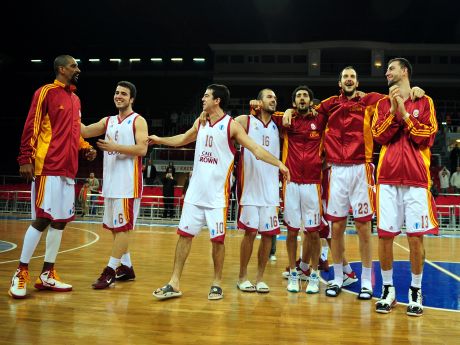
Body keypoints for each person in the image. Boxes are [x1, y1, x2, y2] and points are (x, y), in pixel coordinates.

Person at [283, 66, 424, 299]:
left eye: (352, 77)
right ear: (340, 83)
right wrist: (289, 109)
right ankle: (338, 278)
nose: (349, 80)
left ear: (357, 83)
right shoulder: (328, 104)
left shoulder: (370, 100)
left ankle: (367, 282)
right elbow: (305, 110)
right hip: (336, 171)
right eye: (345, 77)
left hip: (361, 168)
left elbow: (398, 98)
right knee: (336, 227)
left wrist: (415, 90)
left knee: (363, 227)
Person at [150, 84, 290, 300]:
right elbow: (182, 139)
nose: (202, 99)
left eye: (206, 96)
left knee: (218, 241)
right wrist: (159, 140)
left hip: (217, 196)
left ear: (217, 100)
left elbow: (256, 150)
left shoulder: (232, 126)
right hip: (195, 194)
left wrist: (279, 164)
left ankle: (217, 283)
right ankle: (174, 282)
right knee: (184, 237)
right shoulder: (201, 121)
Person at [9, 55, 96, 299]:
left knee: (60, 221)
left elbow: (74, 132)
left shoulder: (76, 99)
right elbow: (31, 126)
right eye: (73, 66)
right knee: (43, 219)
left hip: (69, 169)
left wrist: (85, 147)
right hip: (47, 166)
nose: (77, 69)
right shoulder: (45, 92)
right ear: (61, 69)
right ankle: (20, 271)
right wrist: (25, 158)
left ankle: (47, 274)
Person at [372, 57, 438, 316]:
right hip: (387, 179)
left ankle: (415, 290)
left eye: (391, 68)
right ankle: (388, 290)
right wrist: (392, 109)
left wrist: (405, 111)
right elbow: (379, 136)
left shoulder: (425, 101)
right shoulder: (381, 104)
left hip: (416, 180)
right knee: (385, 236)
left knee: (415, 238)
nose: (387, 73)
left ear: (405, 71)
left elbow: (425, 137)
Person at [80, 81, 148, 289]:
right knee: (115, 229)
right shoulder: (107, 121)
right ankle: (126, 267)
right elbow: (83, 131)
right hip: (110, 184)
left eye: (124, 94)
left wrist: (114, 147)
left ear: (131, 99)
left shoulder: (138, 121)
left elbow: (141, 150)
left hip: (128, 184)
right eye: (117, 92)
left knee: (122, 229)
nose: (119, 96)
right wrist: (72, 109)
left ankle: (109, 270)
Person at [271, 86, 326, 294]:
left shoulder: (320, 119)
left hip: (313, 183)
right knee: (292, 231)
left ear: (311, 101)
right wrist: (259, 105)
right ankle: (294, 272)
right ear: (294, 102)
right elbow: (260, 111)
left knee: (313, 233)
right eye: (298, 96)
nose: (302, 98)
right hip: (291, 182)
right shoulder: (287, 119)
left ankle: (313, 274)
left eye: (305, 96)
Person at [233, 88, 281, 294]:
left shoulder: (279, 124)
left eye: (275, 98)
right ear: (259, 101)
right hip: (250, 189)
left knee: (268, 236)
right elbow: (226, 127)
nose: (274, 100)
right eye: (270, 97)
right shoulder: (246, 121)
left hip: (271, 190)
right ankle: (242, 276)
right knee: (250, 234)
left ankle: (260, 278)